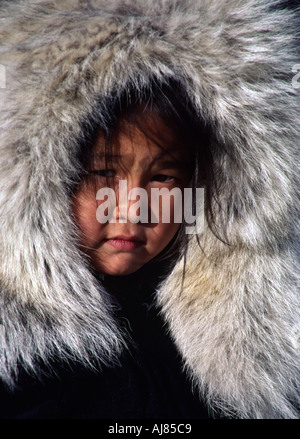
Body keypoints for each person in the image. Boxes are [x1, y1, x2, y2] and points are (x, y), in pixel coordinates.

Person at [0, 0, 299, 420]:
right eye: (102, 173)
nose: (131, 211)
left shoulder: (232, 349)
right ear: (36, 182)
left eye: (162, 179)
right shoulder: (26, 375)